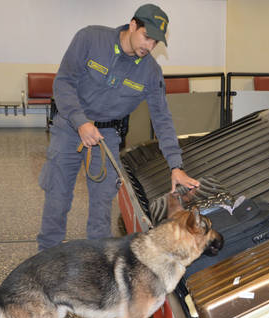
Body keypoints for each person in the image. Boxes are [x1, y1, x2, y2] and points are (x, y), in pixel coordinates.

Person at [37, 4, 199, 251]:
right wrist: (81, 122)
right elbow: (63, 83)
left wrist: (176, 166)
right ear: (133, 25)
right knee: (57, 199)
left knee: (102, 207)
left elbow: (162, 119)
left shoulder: (150, 72)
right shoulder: (90, 38)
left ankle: (97, 266)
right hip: (69, 127)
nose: (149, 47)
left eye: (155, 43)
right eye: (147, 37)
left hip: (107, 137)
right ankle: (45, 260)